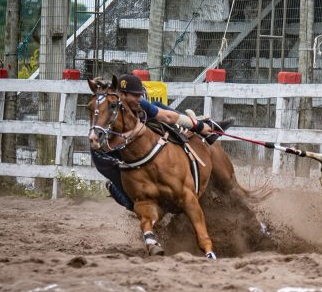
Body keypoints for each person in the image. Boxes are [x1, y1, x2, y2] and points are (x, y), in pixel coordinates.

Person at [91, 73, 233, 210]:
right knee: (132, 198)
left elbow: (166, 116)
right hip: (108, 156)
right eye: (135, 95)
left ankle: (204, 125)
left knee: (158, 106)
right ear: (122, 95)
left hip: (126, 142)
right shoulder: (108, 113)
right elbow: (115, 142)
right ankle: (117, 192)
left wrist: (197, 125)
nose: (139, 98)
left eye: (140, 95)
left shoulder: (137, 103)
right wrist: (137, 131)